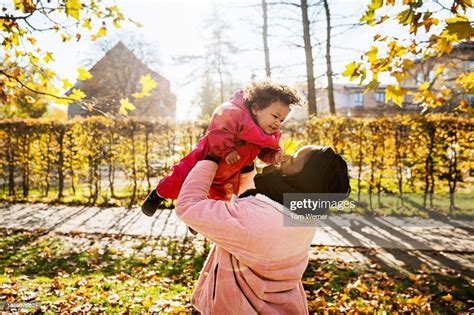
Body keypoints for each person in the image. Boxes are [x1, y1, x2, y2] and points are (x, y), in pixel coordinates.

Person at [175, 145, 351, 314]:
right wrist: (246, 167)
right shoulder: (303, 217)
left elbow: (188, 206)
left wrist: (210, 159)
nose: (286, 158)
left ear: (304, 178)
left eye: (294, 160)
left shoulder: (253, 219)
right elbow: (254, 204)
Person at [141, 81, 301, 216]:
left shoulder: (269, 135)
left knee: (220, 201)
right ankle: (158, 194)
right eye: (275, 116)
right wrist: (227, 150)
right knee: (180, 179)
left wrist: (275, 156)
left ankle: (199, 220)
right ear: (255, 109)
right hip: (205, 160)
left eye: (282, 120)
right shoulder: (236, 115)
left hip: (229, 173)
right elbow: (219, 130)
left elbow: (266, 151)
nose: (277, 123)